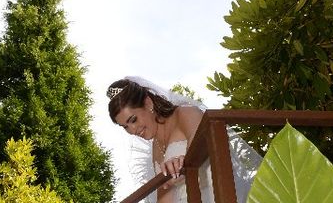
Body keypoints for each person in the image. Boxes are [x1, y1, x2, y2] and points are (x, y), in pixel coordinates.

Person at [107, 76, 261, 203]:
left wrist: (184, 161)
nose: (132, 130)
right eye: (125, 127)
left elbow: (205, 147)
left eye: (133, 120)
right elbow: (164, 198)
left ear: (148, 104)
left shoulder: (185, 114)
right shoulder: (156, 148)